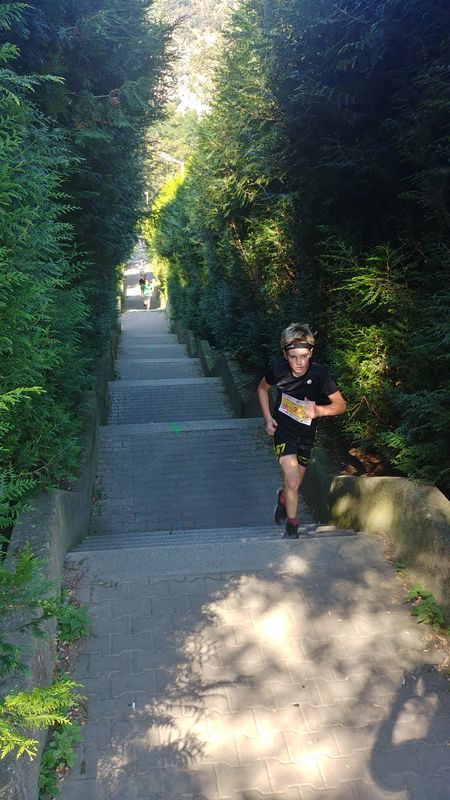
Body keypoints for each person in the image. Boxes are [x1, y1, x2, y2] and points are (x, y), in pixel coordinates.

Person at [257, 323, 346, 539]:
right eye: (293, 357)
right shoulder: (278, 371)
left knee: (295, 482)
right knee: (292, 478)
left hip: (306, 434)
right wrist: (268, 418)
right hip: (283, 430)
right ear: (285, 355)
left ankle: (283, 499)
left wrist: (319, 410)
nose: (299, 362)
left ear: (311, 353)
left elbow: (341, 405)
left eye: (304, 356)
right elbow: (262, 388)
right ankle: (293, 525)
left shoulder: (319, 374)